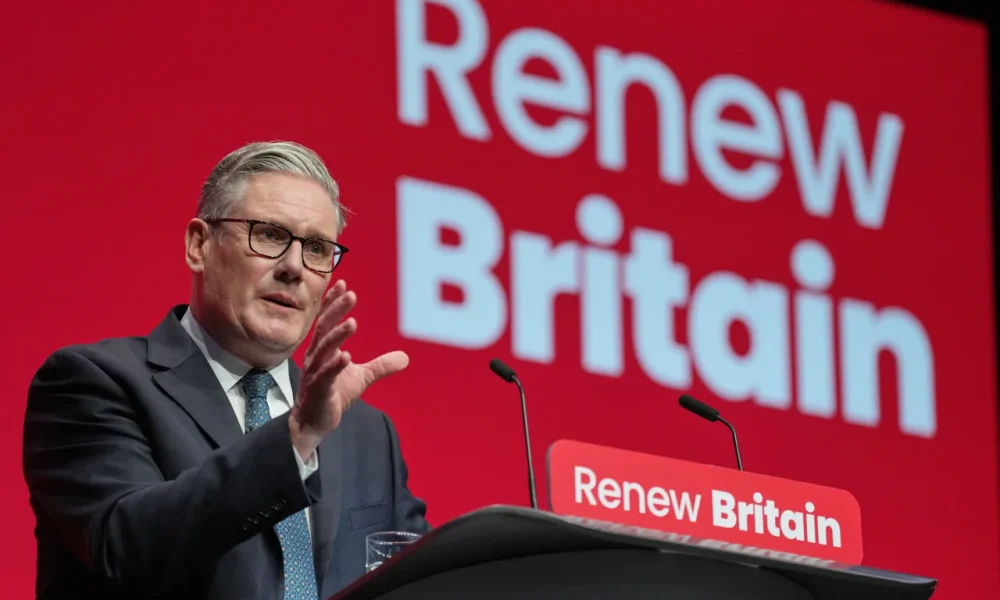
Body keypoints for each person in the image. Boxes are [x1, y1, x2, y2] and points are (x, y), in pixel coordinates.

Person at [21, 141, 430, 600]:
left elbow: (424, 577)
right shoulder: (94, 383)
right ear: (199, 245)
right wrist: (295, 439)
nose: (294, 267)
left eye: (316, 248)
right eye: (270, 235)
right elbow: (125, 546)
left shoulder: (367, 433)